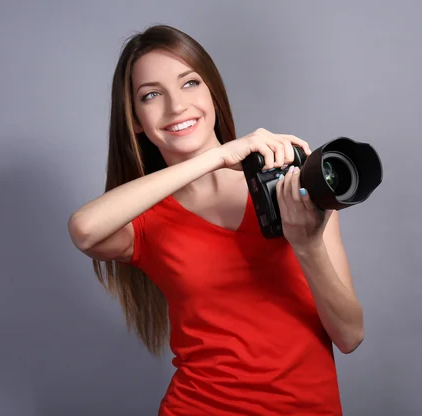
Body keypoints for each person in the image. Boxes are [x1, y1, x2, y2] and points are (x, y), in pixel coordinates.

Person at [68, 24, 364, 416]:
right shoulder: (144, 221)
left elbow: (349, 336)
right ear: (136, 119)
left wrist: (307, 245)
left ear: (212, 92)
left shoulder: (292, 184)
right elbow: (84, 229)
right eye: (152, 95)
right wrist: (214, 157)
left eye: (189, 83)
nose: (176, 107)